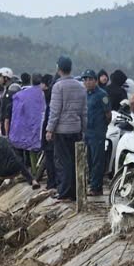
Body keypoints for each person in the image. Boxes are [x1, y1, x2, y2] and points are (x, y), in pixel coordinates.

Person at [46, 56, 87, 201]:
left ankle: (64, 193)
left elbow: (55, 110)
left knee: (63, 163)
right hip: (76, 129)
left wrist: (50, 129)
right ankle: (74, 193)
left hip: (62, 130)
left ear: (58, 69)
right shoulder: (80, 86)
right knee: (75, 162)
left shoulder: (58, 86)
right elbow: (83, 111)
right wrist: (83, 128)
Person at [0, 125, 37, 219]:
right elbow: (15, 153)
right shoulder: (5, 138)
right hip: (17, 168)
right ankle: (32, 180)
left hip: (2, 172)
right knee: (18, 162)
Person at [8, 77, 46, 174]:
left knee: (24, 152)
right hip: (30, 130)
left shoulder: (13, 104)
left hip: (19, 132)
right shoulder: (38, 96)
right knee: (30, 151)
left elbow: (8, 120)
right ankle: (33, 172)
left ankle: (30, 172)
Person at [81, 69, 110, 195]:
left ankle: (96, 187)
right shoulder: (85, 94)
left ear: (95, 80)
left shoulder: (102, 95)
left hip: (98, 132)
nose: (87, 82)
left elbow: (108, 115)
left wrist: (102, 127)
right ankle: (92, 184)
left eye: (90, 79)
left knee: (97, 160)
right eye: (85, 80)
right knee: (90, 160)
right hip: (87, 132)